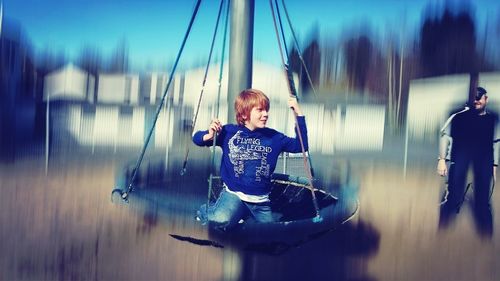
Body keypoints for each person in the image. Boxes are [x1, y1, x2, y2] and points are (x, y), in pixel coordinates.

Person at [192, 88, 308, 231]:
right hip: (234, 196)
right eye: (260, 110)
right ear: (245, 113)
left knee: (270, 235)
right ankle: (205, 211)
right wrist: (209, 135)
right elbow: (196, 139)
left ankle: (243, 216)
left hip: (260, 202)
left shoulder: (274, 138)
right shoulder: (228, 132)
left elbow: (301, 146)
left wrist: (299, 113)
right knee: (220, 221)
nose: (265, 114)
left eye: (266, 110)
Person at [437, 86, 498, 236]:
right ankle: (442, 233)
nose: (476, 100)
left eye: (480, 97)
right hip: (459, 161)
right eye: (474, 97)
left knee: (483, 200)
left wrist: (494, 166)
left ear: (486, 99)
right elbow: (445, 136)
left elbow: (496, 142)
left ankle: (485, 236)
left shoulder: (492, 119)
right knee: (452, 197)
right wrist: (442, 159)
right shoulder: (458, 116)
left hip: (483, 163)